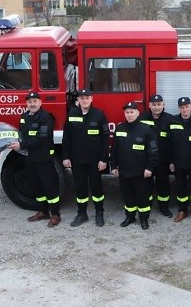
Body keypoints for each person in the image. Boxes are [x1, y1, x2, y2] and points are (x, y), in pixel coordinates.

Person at [8, 92, 60, 227]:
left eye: (35, 101)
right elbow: (22, 134)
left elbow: (42, 138)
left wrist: (21, 145)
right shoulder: (24, 117)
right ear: (26, 104)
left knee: (49, 186)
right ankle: (43, 211)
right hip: (29, 158)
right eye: (30, 101)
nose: (32, 104)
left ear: (40, 103)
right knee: (36, 186)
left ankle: (55, 214)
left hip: (43, 158)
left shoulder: (46, 117)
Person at [61, 88, 110, 227]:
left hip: (95, 160)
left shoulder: (99, 114)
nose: (84, 100)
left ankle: (99, 213)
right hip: (77, 160)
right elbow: (67, 138)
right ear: (78, 100)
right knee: (80, 187)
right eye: (82, 98)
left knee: (97, 188)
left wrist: (104, 159)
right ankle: (82, 214)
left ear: (91, 99)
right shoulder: (72, 113)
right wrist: (65, 157)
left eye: (87, 98)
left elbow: (105, 138)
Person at [110, 101, 158, 230]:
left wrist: (149, 168)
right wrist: (113, 166)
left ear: (137, 113)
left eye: (132, 112)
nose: (129, 115)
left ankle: (144, 218)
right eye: (127, 112)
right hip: (124, 171)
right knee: (128, 196)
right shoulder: (120, 128)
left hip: (141, 172)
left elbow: (153, 151)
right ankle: (130, 216)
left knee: (142, 197)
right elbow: (114, 149)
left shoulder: (146, 130)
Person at [167, 97, 191, 224]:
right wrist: (171, 161)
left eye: (186, 106)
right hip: (179, 162)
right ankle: (182, 210)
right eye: (182, 107)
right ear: (179, 108)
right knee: (180, 187)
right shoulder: (173, 121)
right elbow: (169, 143)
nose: (184, 109)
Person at [140, 94, 174, 218]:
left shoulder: (170, 119)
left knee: (163, 183)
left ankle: (164, 207)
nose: (156, 107)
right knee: (146, 184)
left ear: (163, 105)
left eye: (159, 104)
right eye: (154, 105)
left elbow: (172, 142)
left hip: (163, 159)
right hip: (147, 159)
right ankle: (147, 205)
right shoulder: (142, 118)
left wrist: (171, 161)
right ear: (149, 105)